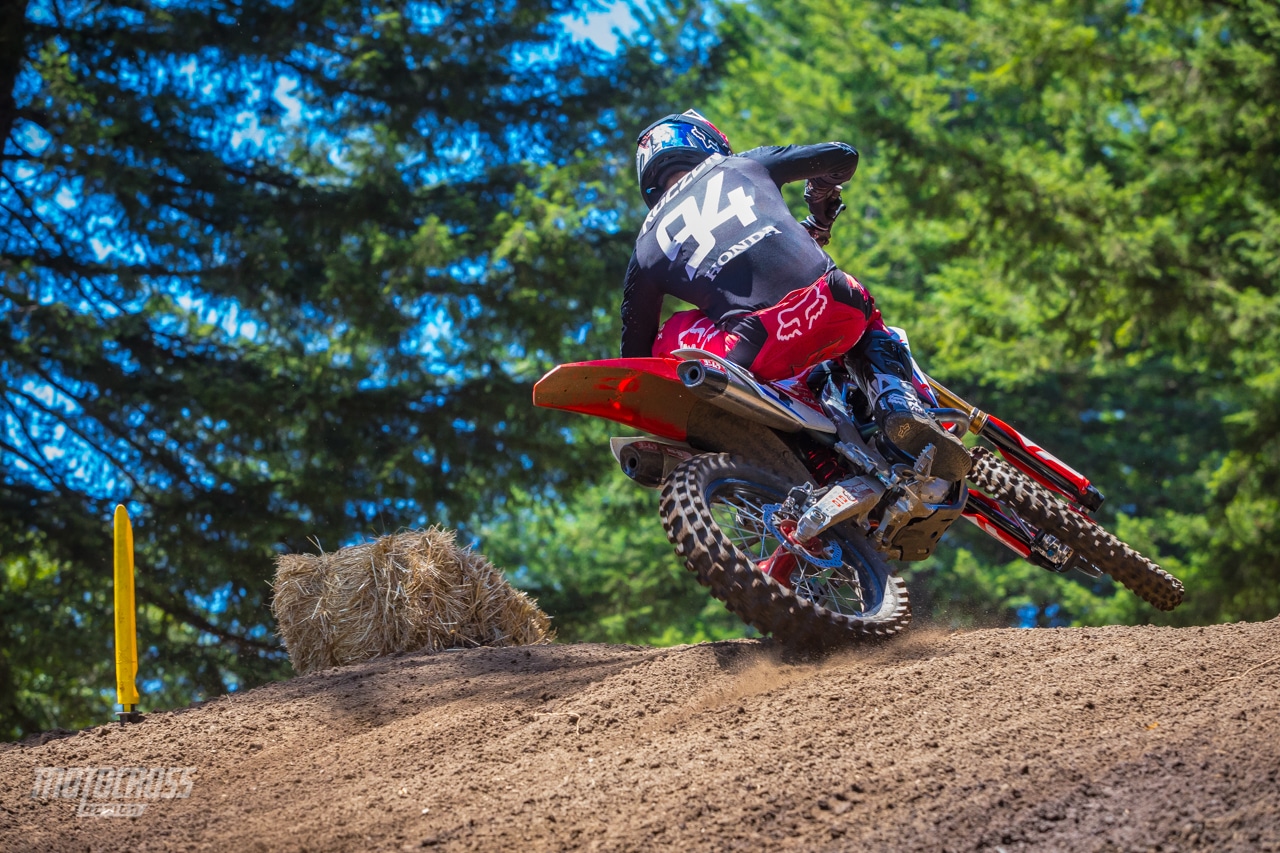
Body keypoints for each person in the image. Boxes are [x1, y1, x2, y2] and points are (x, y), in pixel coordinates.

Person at [620, 109, 970, 482]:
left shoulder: (645, 248)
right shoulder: (743, 165)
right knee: (867, 320)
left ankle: (796, 460)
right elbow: (842, 156)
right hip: (836, 302)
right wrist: (820, 190)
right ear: (705, 140)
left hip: (755, 346)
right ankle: (896, 403)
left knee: (672, 331)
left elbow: (635, 358)